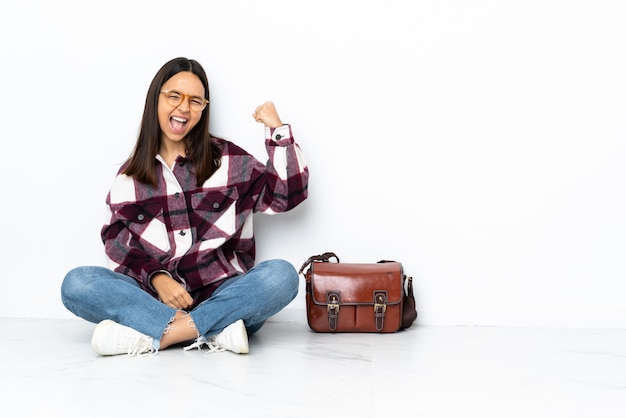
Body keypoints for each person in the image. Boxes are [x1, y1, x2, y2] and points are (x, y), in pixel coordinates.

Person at [61, 57, 309, 357]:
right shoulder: (129, 178)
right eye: (174, 96)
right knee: (77, 283)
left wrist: (277, 130)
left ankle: (158, 334)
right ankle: (214, 332)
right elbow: (117, 244)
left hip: (225, 296)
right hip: (156, 301)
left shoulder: (230, 161)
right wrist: (158, 277)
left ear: (204, 109)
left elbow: (288, 196)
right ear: (156, 99)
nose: (183, 108)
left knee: (280, 276)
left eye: (195, 101)